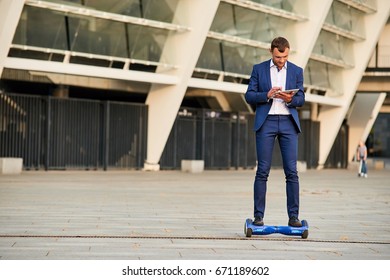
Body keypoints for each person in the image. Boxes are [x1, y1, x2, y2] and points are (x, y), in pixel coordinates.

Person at [245, 37, 305, 227]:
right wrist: (267, 95)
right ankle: (258, 216)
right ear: (271, 51)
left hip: (288, 122)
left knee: (292, 172)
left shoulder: (296, 70)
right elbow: (249, 95)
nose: (282, 60)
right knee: (262, 171)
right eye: (279, 57)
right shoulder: (258, 69)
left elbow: (301, 98)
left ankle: (294, 217)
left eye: (285, 56)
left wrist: (289, 99)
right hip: (266, 122)